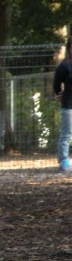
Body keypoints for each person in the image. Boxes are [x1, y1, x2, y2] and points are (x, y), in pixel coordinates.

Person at [53, 37, 72, 172]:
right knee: (66, 134)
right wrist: (59, 94)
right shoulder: (64, 66)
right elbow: (56, 84)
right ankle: (64, 161)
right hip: (69, 104)